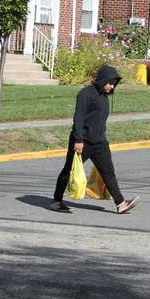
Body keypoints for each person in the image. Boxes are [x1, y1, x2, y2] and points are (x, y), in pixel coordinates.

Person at [51, 65, 139, 214]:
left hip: (99, 142)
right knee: (69, 170)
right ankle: (57, 201)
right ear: (102, 80)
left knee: (108, 172)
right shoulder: (86, 94)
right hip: (82, 142)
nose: (112, 87)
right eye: (110, 83)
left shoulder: (104, 97)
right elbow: (78, 118)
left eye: (114, 84)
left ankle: (121, 204)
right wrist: (78, 140)